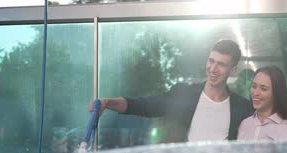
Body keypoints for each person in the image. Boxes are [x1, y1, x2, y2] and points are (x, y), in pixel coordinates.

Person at [89, 39, 252, 143]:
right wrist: (109, 102)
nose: (213, 69)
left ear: (233, 70)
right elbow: (146, 105)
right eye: (211, 61)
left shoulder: (242, 108)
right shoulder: (184, 95)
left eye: (221, 64)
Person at [237, 66, 287, 142]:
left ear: (277, 93)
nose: (255, 93)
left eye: (263, 89)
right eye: (254, 86)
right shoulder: (245, 124)